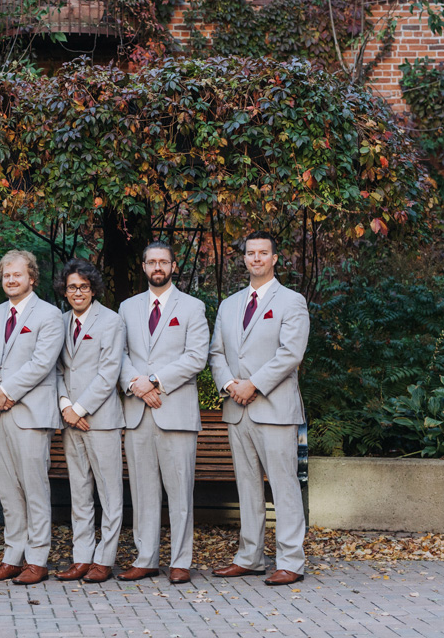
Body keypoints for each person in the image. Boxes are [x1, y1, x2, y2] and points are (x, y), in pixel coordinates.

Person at [209, 231, 310, 586]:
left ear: (275, 258)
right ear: (245, 258)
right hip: (238, 409)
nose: (256, 259)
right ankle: (249, 558)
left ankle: (291, 561)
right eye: (250, 253)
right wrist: (229, 385)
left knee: (283, 487)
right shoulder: (229, 304)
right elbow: (217, 353)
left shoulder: (291, 301)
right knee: (247, 488)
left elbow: (291, 353)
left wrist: (254, 384)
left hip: (275, 408)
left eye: (263, 253)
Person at [119, 241, 210, 585]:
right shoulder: (127, 308)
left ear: (173, 267)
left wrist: (155, 380)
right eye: (151, 262)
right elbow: (118, 354)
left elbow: (196, 356)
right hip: (138, 411)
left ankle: (180, 561)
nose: (157, 267)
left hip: (176, 410)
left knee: (179, 491)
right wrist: (137, 385)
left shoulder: (192, 307)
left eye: (164, 262)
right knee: (142, 491)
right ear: (143, 267)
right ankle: (146, 558)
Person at [0, 249, 64, 586]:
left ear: (32, 277)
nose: (11, 280)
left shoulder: (50, 315)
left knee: (34, 489)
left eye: (17, 275)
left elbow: (43, 363)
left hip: (29, 414)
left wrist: (7, 390)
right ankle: (13, 555)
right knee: (8, 491)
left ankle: (38, 558)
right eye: (6, 275)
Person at [53, 259, 125, 584]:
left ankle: (104, 558)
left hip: (101, 419)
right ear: (65, 291)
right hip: (71, 420)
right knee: (79, 491)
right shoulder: (59, 322)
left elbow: (110, 371)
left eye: (83, 286)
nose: (77, 292)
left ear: (93, 289)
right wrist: (66, 405)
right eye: (72, 287)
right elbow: (54, 369)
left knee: (109, 492)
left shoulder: (111, 321)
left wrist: (79, 408)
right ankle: (82, 556)